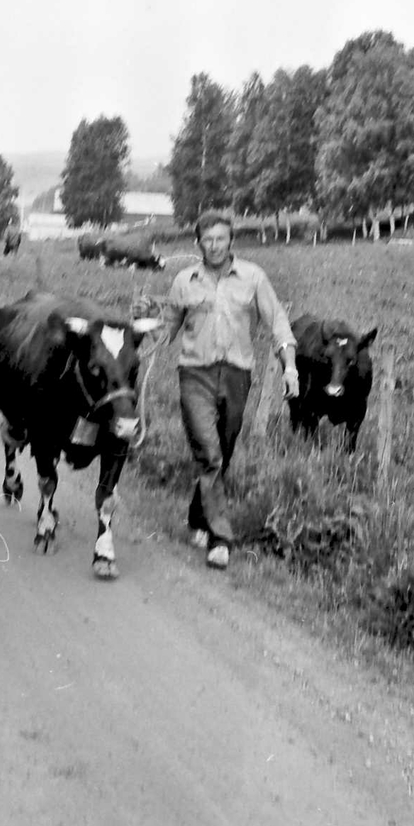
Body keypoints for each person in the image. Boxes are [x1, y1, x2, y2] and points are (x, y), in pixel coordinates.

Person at [155, 209, 299, 571]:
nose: (215, 245)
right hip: (195, 374)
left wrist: (290, 366)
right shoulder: (184, 281)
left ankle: (197, 516)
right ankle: (221, 538)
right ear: (198, 243)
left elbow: (277, 320)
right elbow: (166, 329)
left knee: (223, 451)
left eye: (221, 238)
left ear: (231, 241)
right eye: (208, 240)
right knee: (209, 451)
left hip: (237, 375)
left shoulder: (253, 277)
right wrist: (145, 324)